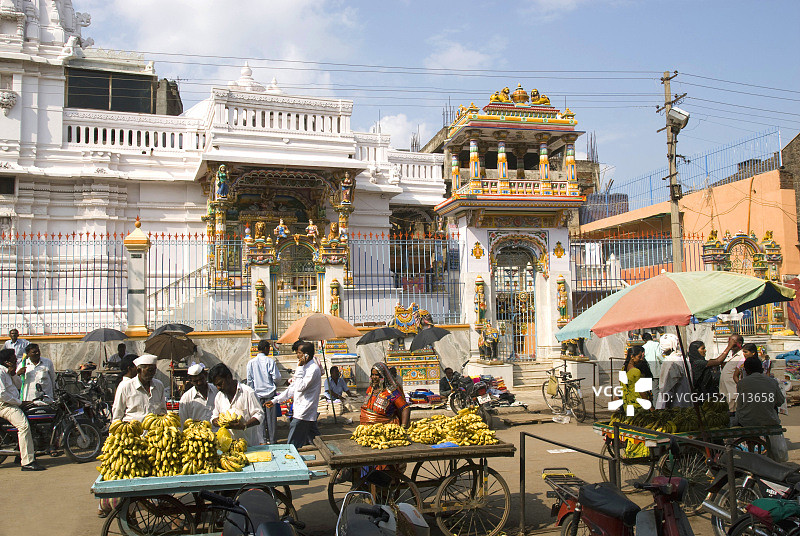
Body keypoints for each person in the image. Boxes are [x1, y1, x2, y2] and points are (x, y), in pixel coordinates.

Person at [269, 341, 322, 449]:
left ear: (306, 354)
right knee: (315, 438)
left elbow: (300, 387)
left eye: (299, 353)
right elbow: (292, 389)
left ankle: (290, 455)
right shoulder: (305, 368)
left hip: (305, 409)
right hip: (301, 409)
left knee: (294, 435)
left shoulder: (313, 369)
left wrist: (300, 367)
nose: (297, 355)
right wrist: (275, 400)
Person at [0, 349, 44, 470]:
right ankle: (27, 462)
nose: (16, 359)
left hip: (12, 403)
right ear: (7, 361)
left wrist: (13, 373)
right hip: (5, 405)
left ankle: (19, 454)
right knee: (23, 427)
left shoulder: (7, 372)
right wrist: (20, 402)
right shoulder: (0, 372)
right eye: (13, 357)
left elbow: (19, 385)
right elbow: (2, 394)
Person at [734, 356, 785, 460]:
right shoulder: (772, 381)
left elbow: (740, 405)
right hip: (768, 419)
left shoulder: (742, 383)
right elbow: (780, 401)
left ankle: (751, 449)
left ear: (746, 370)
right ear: (761, 368)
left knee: (745, 418)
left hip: (747, 420)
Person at [209, 363, 264, 446]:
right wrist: (217, 422)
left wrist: (244, 425)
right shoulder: (219, 397)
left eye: (220, 384)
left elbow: (259, 415)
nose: (218, 388)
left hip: (249, 445)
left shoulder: (248, 392)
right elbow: (214, 416)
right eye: (216, 385)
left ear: (228, 377)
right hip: (228, 447)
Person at [111, 354, 167, 422]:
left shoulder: (159, 385)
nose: (153, 373)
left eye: (154, 370)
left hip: (154, 430)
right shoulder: (126, 386)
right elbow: (117, 413)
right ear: (138, 370)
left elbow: (163, 410)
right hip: (133, 430)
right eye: (149, 370)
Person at [247, 340, 281, 444]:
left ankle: (262, 440)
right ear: (266, 348)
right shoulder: (270, 361)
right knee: (271, 421)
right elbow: (277, 377)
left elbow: (249, 380)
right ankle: (272, 440)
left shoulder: (251, 362)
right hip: (269, 394)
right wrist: (274, 385)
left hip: (257, 395)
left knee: (259, 419)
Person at [360, 362, 410, 427]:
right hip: (366, 429)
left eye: (377, 375)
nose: (374, 377)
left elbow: (405, 408)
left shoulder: (392, 392)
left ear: (383, 376)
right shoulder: (370, 389)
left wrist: (404, 426)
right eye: (372, 375)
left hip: (385, 428)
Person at [656, 334, 691, 409]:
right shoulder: (684, 359)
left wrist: (666, 408)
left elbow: (667, 389)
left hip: (675, 406)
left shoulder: (670, 362)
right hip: (686, 402)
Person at [179, 363, 217, 427]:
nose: (199, 383)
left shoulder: (216, 391)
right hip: (197, 435)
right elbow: (183, 421)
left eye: (201, 379)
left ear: (205, 375)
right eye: (195, 381)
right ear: (190, 381)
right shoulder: (186, 398)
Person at [719, 334, 745, 415]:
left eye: (732, 342)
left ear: (739, 343)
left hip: (733, 393)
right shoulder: (734, 356)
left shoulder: (742, 356)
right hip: (726, 394)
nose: (730, 345)